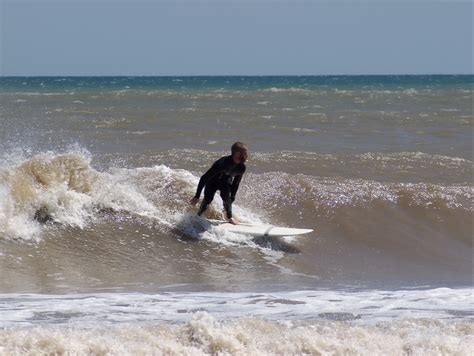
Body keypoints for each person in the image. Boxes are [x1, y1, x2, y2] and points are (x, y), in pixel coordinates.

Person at [190, 142, 248, 225]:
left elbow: (236, 183)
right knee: (208, 200)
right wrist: (197, 195)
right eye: (245, 153)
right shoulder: (222, 163)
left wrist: (233, 196)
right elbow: (204, 178)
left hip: (225, 182)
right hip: (212, 182)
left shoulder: (241, 167)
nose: (247, 155)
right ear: (237, 153)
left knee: (227, 199)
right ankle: (198, 215)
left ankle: (229, 217)